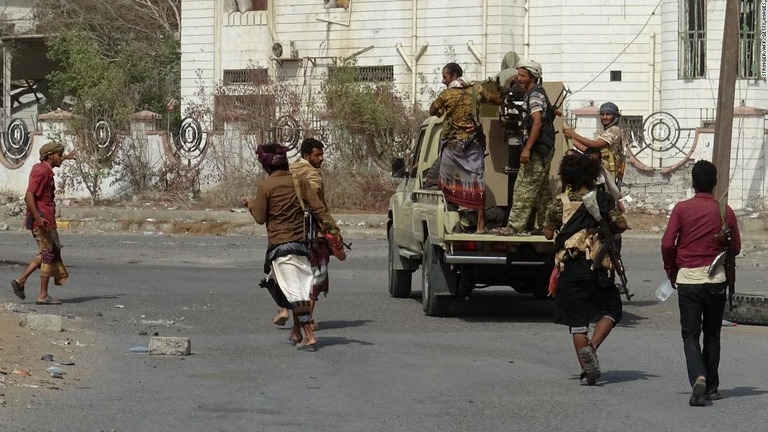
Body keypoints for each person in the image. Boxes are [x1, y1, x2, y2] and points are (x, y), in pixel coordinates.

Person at [543, 153, 628, 385]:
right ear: (592, 176)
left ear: (567, 177)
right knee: (612, 309)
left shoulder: (559, 202)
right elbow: (621, 225)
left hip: (570, 267)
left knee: (577, 322)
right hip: (598, 267)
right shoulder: (601, 199)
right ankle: (592, 348)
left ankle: (589, 373)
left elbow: (549, 233)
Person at [244, 143, 339, 352]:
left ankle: (310, 336)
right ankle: (297, 332)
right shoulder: (300, 181)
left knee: (296, 294)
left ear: (266, 166)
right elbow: (319, 209)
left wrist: (250, 205)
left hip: (280, 247)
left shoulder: (266, 187)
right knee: (301, 291)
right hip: (302, 246)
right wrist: (334, 232)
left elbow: (260, 218)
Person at [661, 160, 741, 406]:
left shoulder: (682, 209)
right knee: (713, 334)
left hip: (688, 280)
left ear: (693, 183)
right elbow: (736, 248)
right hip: (717, 281)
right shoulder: (724, 211)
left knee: (690, 334)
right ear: (715, 183)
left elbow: (666, 244)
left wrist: (671, 271)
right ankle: (712, 387)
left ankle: (698, 376)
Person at [428, 62, 502, 233]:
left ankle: (449, 221)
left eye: (445, 77)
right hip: (473, 144)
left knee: (445, 183)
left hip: (452, 146)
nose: (443, 80)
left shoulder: (446, 95)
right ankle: (480, 226)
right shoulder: (477, 90)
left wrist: (441, 112)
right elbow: (497, 100)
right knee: (477, 183)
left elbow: (432, 110)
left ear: (453, 76)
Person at [271, 138, 331, 330]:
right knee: (316, 275)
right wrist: (331, 228)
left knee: (287, 272)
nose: (321, 159)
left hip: (284, 232)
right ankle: (308, 320)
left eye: (322, 154)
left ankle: (283, 310)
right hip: (311, 233)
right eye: (317, 155)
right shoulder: (311, 174)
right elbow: (313, 202)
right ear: (307, 156)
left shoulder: (288, 169)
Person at [11, 142, 75, 305]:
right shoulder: (41, 171)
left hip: (47, 219)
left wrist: (66, 157)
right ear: (50, 155)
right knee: (47, 253)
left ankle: (21, 281)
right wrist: (38, 217)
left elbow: (55, 160)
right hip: (42, 220)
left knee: (48, 252)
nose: (61, 158)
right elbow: (29, 195)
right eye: (59, 155)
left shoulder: (46, 169)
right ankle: (42, 294)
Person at [504, 59, 557, 235]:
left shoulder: (534, 95)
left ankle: (514, 227)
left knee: (523, 188)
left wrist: (527, 148)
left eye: (522, 75)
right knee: (542, 193)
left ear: (532, 77)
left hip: (537, 150)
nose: (519, 78)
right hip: (544, 149)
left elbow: (537, 123)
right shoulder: (536, 92)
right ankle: (545, 225)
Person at [563, 102, 625, 186]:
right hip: (598, 166)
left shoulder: (614, 130)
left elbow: (594, 145)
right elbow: (590, 152)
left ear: (615, 116)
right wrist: (573, 141)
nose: (604, 117)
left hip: (604, 169)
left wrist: (573, 135)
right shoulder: (603, 132)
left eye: (608, 114)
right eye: (602, 114)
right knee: (570, 154)